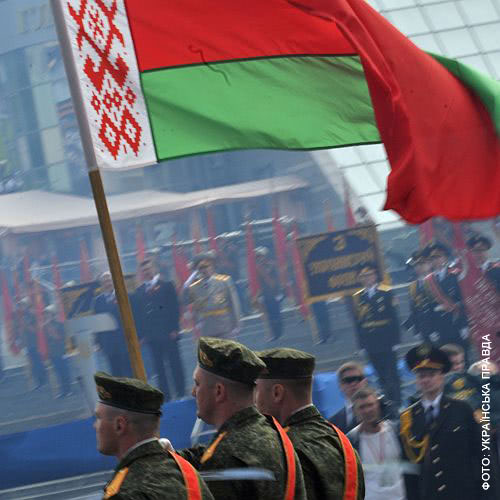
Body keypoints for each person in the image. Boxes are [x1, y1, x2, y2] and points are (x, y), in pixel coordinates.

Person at [177, 337, 307, 500]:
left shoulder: (225, 457)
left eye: (197, 384)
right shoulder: (272, 433)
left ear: (218, 391)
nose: (193, 392)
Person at [255, 347, 365, 500]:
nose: (255, 400)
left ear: (277, 393)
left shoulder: (280, 451)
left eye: (257, 390)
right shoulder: (341, 441)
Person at [93, 371, 214, 499]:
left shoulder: (126, 492)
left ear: (119, 425)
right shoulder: (186, 471)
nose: (95, 426)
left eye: (99, 418)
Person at [400, 343, 481, 500]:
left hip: (464, 493)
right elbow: (409, 471)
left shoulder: (462, 409)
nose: (426, 380)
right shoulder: (408, 418)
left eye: (431, 374)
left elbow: (481, 455)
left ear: (442, 376)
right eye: (421, 376)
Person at [134, 258, 185, 401]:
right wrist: (141, 336)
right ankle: (166, 396)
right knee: (159, 368)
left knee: (175, 364)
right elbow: (138, 316)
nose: (146, 271)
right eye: (144, 270)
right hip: (152, 337)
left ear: (154, 269)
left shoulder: (167, 286)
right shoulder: (139, 291)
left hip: (169, 333)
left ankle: (181, 392)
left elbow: (175, 308)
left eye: (148, 268)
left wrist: (175, 329)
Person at [351, 263, 402, 406]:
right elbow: (358, 323)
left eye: (369, 275)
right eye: (363, 276)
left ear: (375, 276)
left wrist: (396, 340)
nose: (367, 279)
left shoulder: (386, 292)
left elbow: (394, 318)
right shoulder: (358, 297)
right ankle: (387, 402)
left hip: (386, 339)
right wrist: (361, 345)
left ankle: (397, 402)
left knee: (391, 373)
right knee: (380, 374)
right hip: (370, 341)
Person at [348, 386, 406, 500]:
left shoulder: (396, 431)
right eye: (362, 407)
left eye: (370, 405)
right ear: (355, 411)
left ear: (378, 405)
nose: (367, 410)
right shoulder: (351, 441)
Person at [424, 242, 470, 357]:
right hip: (440, 327)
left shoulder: (455, 275)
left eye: (438, 257)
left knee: (462, 358)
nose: (436, 260)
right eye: (432, 258)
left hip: (456, 324)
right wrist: (431, 330)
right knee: (445, 360)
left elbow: (464, 301)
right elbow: (427, 308)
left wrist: (464, 325)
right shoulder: (428, 281)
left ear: (445, 257)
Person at [187, 252, 240, 339]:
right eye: (201, 268)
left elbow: (234, 304)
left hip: (225, 326)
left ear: (212, 266)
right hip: (207, 328)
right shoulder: (194, 287)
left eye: (206, 266)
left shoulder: (224, 281)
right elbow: (195, 309)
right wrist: (197, 325)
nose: (204, 270)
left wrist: (237, 324)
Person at [94, 272, 132, 377]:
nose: (108, 283)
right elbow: (97, 324)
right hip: (109, 345)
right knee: (116, 375)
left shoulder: (123, 295)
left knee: (130, 372)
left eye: (109, 280)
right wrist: (98, 343)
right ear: (101, 285)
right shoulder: (97, 301)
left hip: (125, 342)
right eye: (105, 282)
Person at [403, 249, 438, 344]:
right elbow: (414, 309)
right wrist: (417, 330)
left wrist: (435, 328)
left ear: (429, 264)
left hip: (439, 327)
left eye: (422, 264)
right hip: (424, 329)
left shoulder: (437, 279)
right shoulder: (413, 285)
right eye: (416, 265)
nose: (419, 267)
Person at [17, 297, 47, 390]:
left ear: (27, 305)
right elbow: (22, 331)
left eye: (22, 305)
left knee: (37, 362)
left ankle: (43, 380)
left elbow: (34, 330)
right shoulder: (23, 316)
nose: (21, 307)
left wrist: (26, 325)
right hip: (28, 343)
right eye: (20, 306)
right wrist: (21, 341)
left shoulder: (31, 315)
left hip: (34, 342)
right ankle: (38, 381)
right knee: (33, 364)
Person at [329, 361, 368, 432]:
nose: (353, 383)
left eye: (357, 379)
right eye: (348, 380)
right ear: (340, 385)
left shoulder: (382, 408)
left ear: (365, 381)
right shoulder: (333, 423)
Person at [43, 304, 72, 397]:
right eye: (45, 314)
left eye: (48, 314)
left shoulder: (59, 324)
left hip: (61, 351)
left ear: (53, 314)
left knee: (64, 371)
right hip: (52, 352)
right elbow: (45, 341)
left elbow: (61, 337)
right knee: (57, 372)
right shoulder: (45, 326)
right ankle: (62, 390)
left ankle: (68, 390)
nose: (47, 316)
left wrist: (52, 332)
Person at [255, 247, 283, 341]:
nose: (259, 259)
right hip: (265, 294)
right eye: (257, 257)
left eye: (260, 256)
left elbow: (272, 283)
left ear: (265, 256)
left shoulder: (271, 265)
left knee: (276, 315)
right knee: (269, 316)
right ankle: (274, 334)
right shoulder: (259, 267)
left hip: (273, 294)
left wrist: (263, 273)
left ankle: (278, 332)